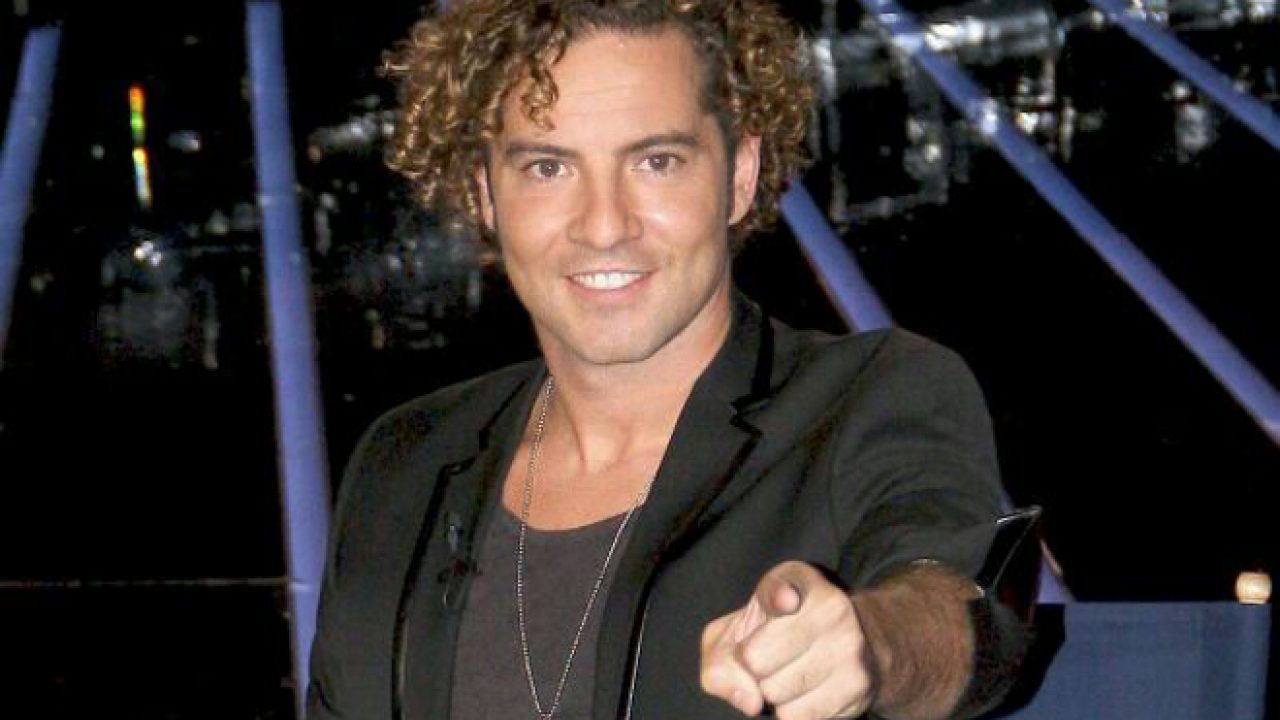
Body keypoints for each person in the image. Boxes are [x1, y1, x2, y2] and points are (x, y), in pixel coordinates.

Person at [306, 1, 1033, 719]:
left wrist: (872, 646)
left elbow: (957, 615)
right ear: (483, 192)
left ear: (739, 173)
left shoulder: (870, 398)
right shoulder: (403, 464)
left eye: (656, 162)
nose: (604, 225)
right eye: (548, 167)